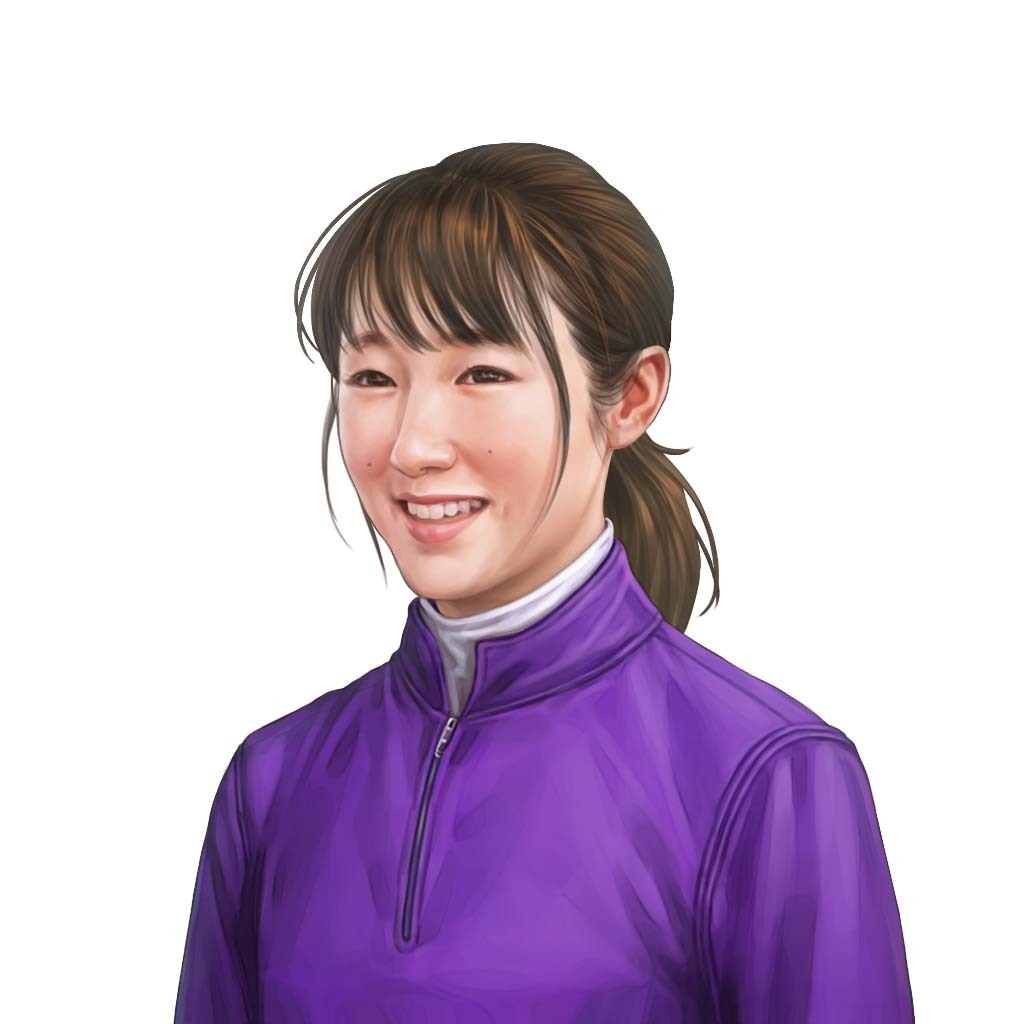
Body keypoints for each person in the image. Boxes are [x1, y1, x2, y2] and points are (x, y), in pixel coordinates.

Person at [174, 142, 915, 1022]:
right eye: (372, 377)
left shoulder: (770, 779)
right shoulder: (273, 785)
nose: (412, 445)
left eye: (481, 373)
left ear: (631, 397)